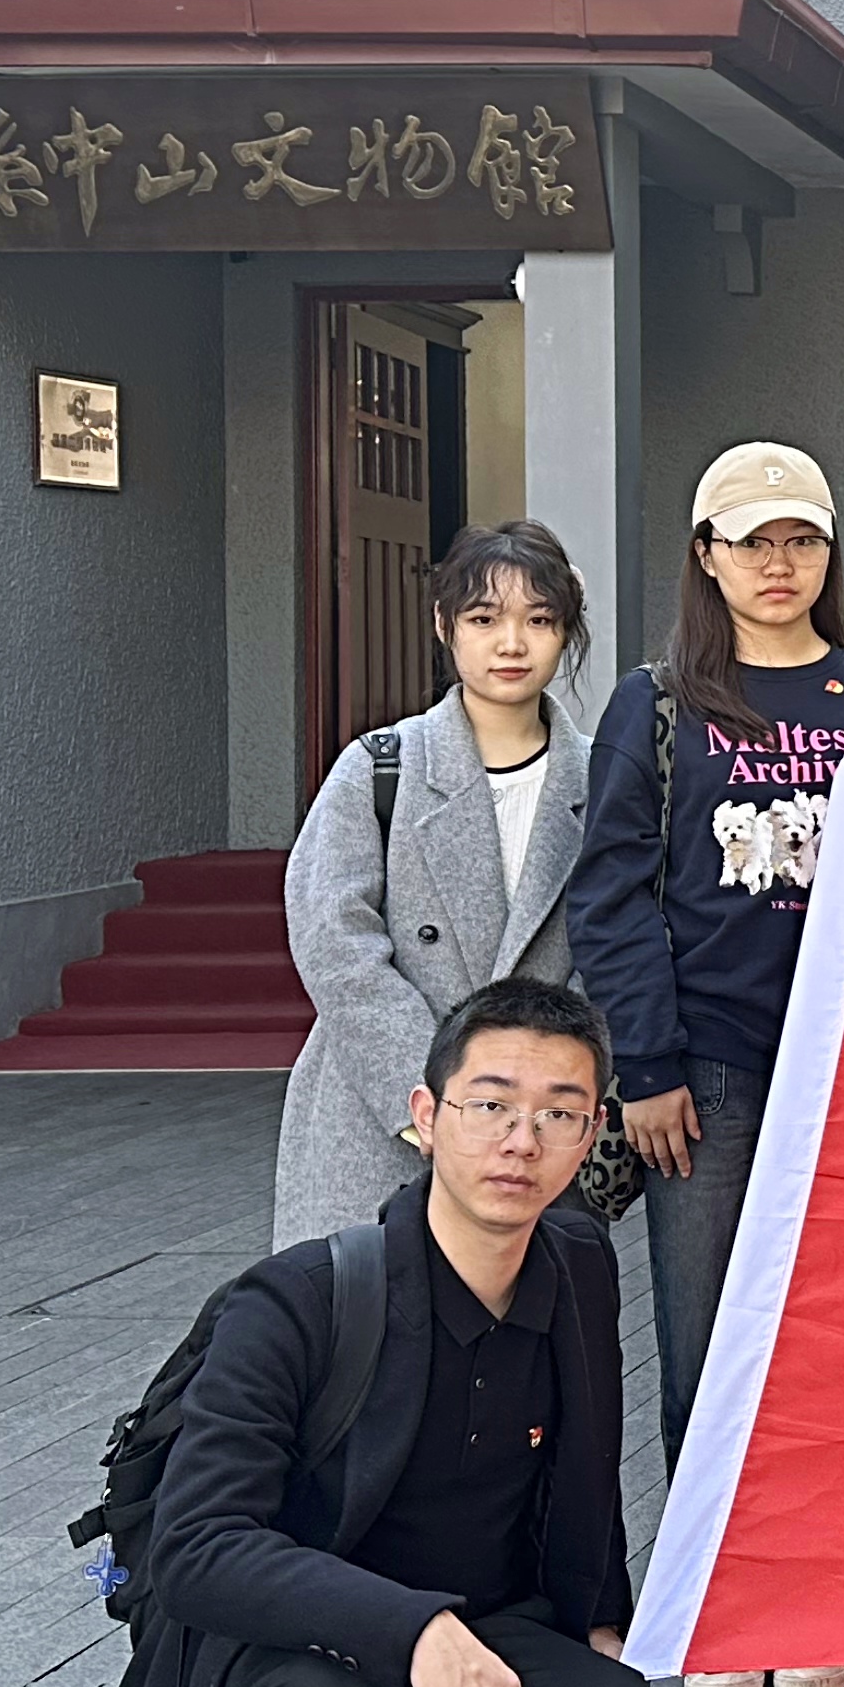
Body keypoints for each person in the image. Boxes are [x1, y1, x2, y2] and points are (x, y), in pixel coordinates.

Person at [35, 979, 739, 1687]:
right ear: (425, 1116)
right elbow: (199, 1549)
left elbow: (582, 1465)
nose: (522, 1139)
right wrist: (411, 1631)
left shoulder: (575, 1261)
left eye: (560, 1112)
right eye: (490, 1103)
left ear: (590, 1136)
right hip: (291, 1656)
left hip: (493, 1631)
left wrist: (598, 1623)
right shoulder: (297, 1303)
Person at [566, 441, 844, 1687]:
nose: (779, 564)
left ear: (831, 556)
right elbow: (612, 896)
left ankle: (823, 1593)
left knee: (837, 1341)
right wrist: (648, 1066)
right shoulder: (659, 703)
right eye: (752, 541)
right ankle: (721, 1602)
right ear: (707, 557)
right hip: (707, 1070)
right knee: (709, 1340)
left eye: (802, 541)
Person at [273, 521, 593, 1248]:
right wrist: (436, 1102)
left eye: (538, 620)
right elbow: (333, 938)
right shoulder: (379, 766)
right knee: (366, 1302)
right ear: (444, 626)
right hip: (385, 1111)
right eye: (484, 619)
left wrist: (542, 1098)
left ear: (565, 632)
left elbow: (621, 943)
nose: (511, 643)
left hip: (536, 1128)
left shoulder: (605, 778)